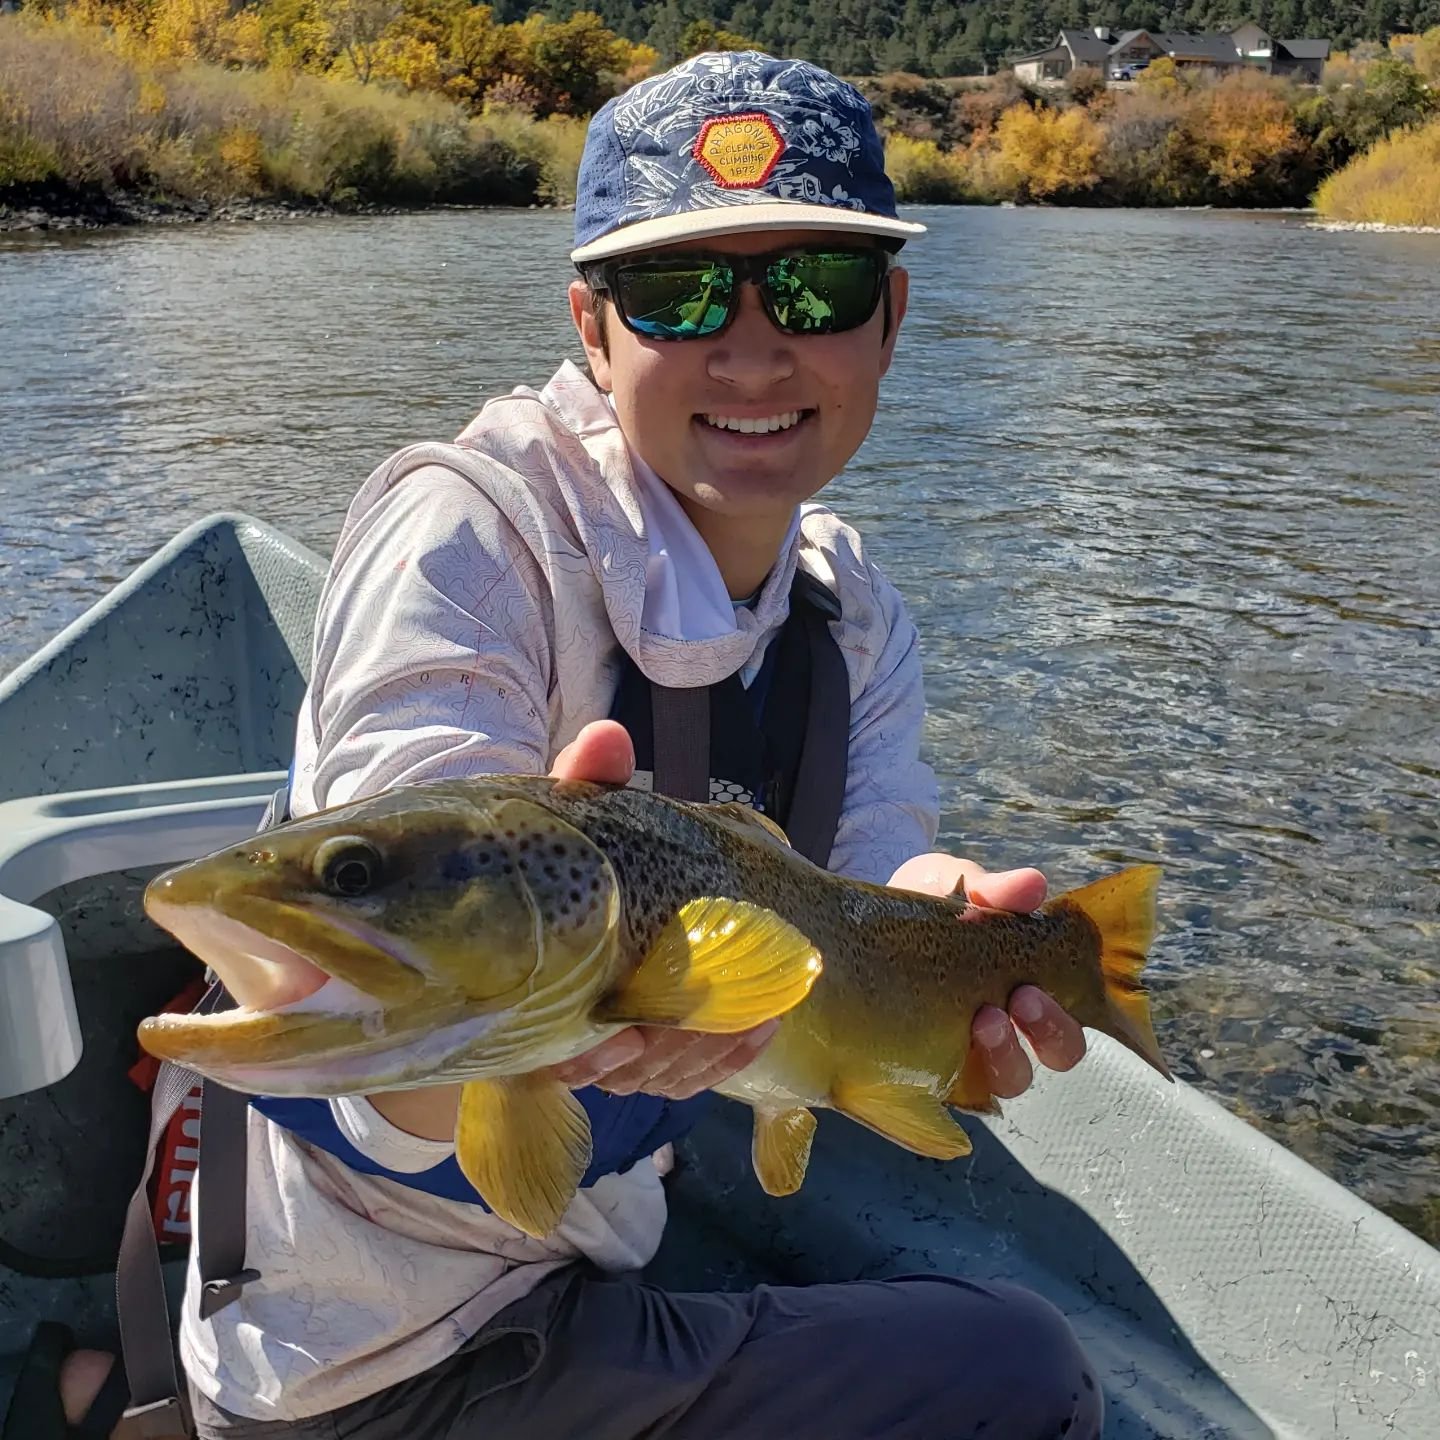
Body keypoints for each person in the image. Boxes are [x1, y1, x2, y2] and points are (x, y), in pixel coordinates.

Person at [55, 49, 1103, 1440]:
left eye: (814, 286)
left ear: (892, 319)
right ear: (590, 327)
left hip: (588, 1268)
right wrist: (555, 986)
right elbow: (392, 1028)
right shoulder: (465, 538)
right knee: (1022, 1380)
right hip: (359, 1356)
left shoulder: (850, 615)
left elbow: (858, 894)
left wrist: (943, 935)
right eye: (677, 292)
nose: (751, 347)